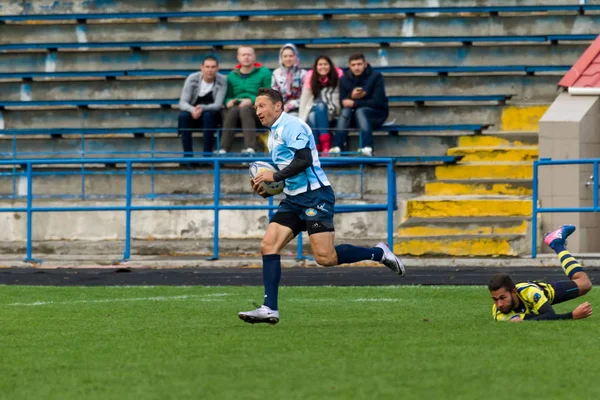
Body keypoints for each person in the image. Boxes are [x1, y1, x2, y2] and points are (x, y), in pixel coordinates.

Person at [238, 88, 406, 325]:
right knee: (268, 246)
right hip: (294, 199)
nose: (258, 111)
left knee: (325, 257)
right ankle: (270, 308)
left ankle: (379, 253)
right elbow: (287, 173)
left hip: (316, 196)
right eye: (255, 107)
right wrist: (268, 188)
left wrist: (274, 177)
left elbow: (304, 160)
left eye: (262, 106)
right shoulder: (273, 135)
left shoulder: (293, 126)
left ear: (278, 106)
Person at [489, 225, 593, 322]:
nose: (499, 304)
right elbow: (533, 319)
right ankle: (557, 243)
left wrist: (572, 315)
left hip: (547, 291)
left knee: (585, 284)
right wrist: (572, 315)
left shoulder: (529, 292)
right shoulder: (499, 315)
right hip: (532, 300)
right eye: (495, 299)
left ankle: (557, 244)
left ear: (514, 292)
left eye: (503, 298)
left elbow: (549, 315)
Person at [330, 53, 389, 157]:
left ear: (365, 64)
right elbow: (342, 103)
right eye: (353, 65)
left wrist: (355, 103)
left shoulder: (376, 77)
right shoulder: (344, 79)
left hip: (375, 115)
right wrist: (351, 96)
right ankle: (337, 147)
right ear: (349, 66)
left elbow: (378, 101)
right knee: (346, 110)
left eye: (359, 64)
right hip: (352, 118)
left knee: (360, 111)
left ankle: (368, 148)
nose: (356, 67)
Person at [219, 46, 272, 154]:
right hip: (236, 113)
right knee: (233, 110)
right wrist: (228, 101)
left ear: (254, 57)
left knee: (245, 109)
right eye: (243, 55)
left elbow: (268, 95)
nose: (246, 57)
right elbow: (227, 96)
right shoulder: (232, 75)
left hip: (258, 112)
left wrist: (252, 100)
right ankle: (223, 149)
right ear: (238, 57)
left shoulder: (264, 72)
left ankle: (251, 148)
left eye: (249, 54)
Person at [177, 56, 227, 164]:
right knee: (183, 116)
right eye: (207, 67)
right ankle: (188, 156)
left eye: (213, 67)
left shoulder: (222, 81)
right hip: (193, 113)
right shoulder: (192, 79)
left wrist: (202, 108)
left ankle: (207, 156)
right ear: (202, 68)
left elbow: (218, 105)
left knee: (208, 115)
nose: (210, 70)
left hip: (211, 114)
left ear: (217, 68)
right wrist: (193, 110)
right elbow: (182, 102)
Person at [299, 55, 343, 153]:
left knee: (315, 112)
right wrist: (302, 120)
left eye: (325, 64)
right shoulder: (311, 78)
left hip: (331, 111)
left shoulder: (336, 77)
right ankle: (323, 146)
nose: (323, 67)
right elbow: (305, 101)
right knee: (313, 112)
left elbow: (337, 100)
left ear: (330, 66)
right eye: (320, 64)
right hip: (315, 109)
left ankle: (320, 145)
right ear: (316, 67)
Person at [271, 43, 307, 117]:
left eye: (291, 56)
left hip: (299, 109)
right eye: (285, 56)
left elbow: (305, 97)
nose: (288, 59)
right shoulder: (276, 73)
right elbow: (274, 94)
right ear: (281, 58)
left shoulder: (303, 74)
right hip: (280, 108)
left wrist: (290, 105)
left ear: (296, 57)